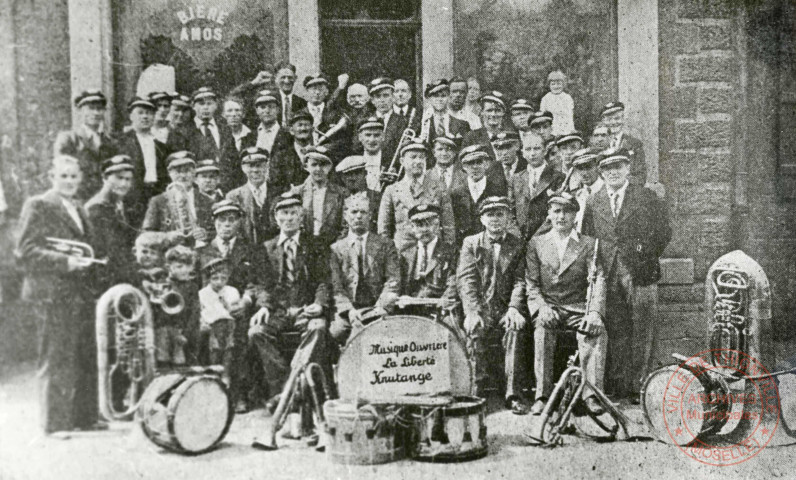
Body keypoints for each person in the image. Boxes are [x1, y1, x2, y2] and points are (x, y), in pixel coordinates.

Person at [581, 149, 671, 400]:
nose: (613, 172)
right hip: (608, 272)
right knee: (617, 328)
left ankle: (641, 384)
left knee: (643, 328)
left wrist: (645, 253)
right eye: (607, 168)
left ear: (628, 168)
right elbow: (589, 236)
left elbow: (664, 231)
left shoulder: (646, 197)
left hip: (640, 271)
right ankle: (620, 384)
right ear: (601, 172)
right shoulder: (595, 200)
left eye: (618, 166)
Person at [247, 195, 334, 408]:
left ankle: (291, 394)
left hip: (306, 310)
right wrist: (264, 306)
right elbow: (261, 284)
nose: (288, 218)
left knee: (319, 328)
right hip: (278, 311)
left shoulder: (315, 245)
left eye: (293, 213)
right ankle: (287, 389)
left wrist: (319, 304)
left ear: (301, 217)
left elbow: (324, 280)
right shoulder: (265, 248)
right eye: (283, 213)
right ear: (276, 218)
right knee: (256, 332)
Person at [526, 192, 608, 416]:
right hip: (550, 306)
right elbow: (531, 283)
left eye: (567, 211)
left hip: (577, 307)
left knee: (595, 333)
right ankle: (542, 396)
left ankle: (591, 395)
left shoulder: (589, 244)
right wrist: (541, 307)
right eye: (556, 211)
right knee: (542, 331)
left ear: (575, 216)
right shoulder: (537, 243)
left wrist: (594, 313)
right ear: (549, 215)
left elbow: (598, 279)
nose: (561, 216)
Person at [456, 196, 529, 413]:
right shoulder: (471, 243)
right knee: (474, 329)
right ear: (482, 219)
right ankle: (475, 391)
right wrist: (471, 311)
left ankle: (512, 393)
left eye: (500, 214)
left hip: (506, 307)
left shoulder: (518, 244)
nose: (495, 219)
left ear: (508, 218)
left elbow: (520, 280)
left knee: (514, 329)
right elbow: (466, 279)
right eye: (490, 214)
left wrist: (514, 308)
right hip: (482, 307)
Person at [197, 199, 260, 412]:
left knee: (240, 340)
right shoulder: (203, 251)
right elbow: (198, 286)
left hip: (238, 310)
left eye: (232, 220)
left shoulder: (249, 250)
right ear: (214, 223)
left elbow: (256, 282)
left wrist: (246, 300)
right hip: (210, 312)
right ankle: (209, 393)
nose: (227, 224)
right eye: (222, 220)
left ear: (240, 223)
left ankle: (238, 394)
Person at [329, 192, 400, 344]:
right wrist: (348, 310)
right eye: (354, 212)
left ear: (370, 216)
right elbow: (336, 287)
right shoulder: (336, 249)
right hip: (349, 312)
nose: (359, 216)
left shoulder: (385, 244)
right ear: (346, 216)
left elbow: (393, 280)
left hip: (376, 308)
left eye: (363, 212)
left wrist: (383, 306)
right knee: (336, 332)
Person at [378, 140, 456, 250]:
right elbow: (384, 230)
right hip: (403, 255)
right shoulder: (392, 190)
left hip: (433, 255)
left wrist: (448, 254)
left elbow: (449, 228)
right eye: (413, 157)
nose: (418, 161)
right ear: (402, 161)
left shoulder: (439, 188)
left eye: (421, 157)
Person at [53, 90, 118, 201]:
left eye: (99, 109)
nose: (96, 113)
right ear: (80, 111)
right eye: (91, 108)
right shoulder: (69, 139)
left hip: (103, 200)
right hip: (77, 199)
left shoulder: (109, 143)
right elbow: (62, 173)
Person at [85, 155, 138, 288]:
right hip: (105, 278)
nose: (124, 184)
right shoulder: (96, 208)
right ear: (104, 178)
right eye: (119, 178)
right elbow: (110, 250)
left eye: (128, 179)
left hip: (120, 273)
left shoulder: (119, 203)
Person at [117, 96, 170, 228]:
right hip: (132, 198)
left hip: (155, 196)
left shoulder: (161, 146)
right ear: (131, 116)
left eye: (149, 113)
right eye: (140, 113)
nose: (145, 117)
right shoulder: (121, 143)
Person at [142, 151, 214, 246]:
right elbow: (147, 234)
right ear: (169, 173)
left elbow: (218, 230)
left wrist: (206, 235)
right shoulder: (158, 201)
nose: (183, 176)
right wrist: (167, 236)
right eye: (178, 171)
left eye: (187, 170)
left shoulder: (208, 201)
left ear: (194, 172)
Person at [398, 204, 458, 316]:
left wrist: (445, 299)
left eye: (429, 224)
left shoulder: (451, 252)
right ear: (412, 227)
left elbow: (454, 282)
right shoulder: (405, 255)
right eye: (419, 225)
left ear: (438, 224)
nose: (425, 229)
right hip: (409, 311)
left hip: (440, 311)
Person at [181, 87, 240, 192]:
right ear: (193, 106)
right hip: (198, 189)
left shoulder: (224, 127)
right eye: (201, 104)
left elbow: (234, 159)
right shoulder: (186, 131)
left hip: (225, 187)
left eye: (209, 104)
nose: (205, 108)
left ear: (216, 105)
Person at [507, 132, 565, 240]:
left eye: (537, 148)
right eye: (528, 149)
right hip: (520, 240)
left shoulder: (558, 177)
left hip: (547, 238)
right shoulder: (515, 179)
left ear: (545, 151)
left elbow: (559, 212)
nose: (532, 153)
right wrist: (517, 235)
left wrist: (537, 238)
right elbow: (510, 211)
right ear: (522, 153)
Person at [199, 257, 249, 378]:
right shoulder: (203, 293)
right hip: (211, 326)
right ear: (209, 279)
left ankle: (226, 375)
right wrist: (203, 322)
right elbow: (200, 311)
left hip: (229, 325)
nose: (219, 282)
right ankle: (214, 374)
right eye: (215, 278)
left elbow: (233, 312)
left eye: (223, 278)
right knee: (215, 348)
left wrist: (225, 302)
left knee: (229, 347)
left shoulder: (232, 291)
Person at [449, 144, 508, 242]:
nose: (475, 167)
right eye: (470, 163)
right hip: (464, 243)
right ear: (464, 166)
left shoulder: (497, 189)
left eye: (479, 162)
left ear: (486, 164)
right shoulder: (456, 192)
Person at [294, 146, 348, 247]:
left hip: (332, 247)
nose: (318, 169)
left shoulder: (341, 193)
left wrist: (336, 246)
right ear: (306, 166)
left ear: (330, 167)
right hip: (304, 247)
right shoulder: (297, 193)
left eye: (323, 164)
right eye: (314, 165)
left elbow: (345, 225)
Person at [226, 147, 279, 244]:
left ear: (267, 166)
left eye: (259, 166)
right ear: (243, 168)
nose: (255, 170)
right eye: (250, 166)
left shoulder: (278, 194)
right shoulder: (234, 197)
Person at [160, 245, 201, 367]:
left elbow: (195, 313)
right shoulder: (163, 285)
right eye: (179, 266)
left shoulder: (192, 287)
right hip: (169, 332)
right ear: (168, 267)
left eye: (188, 266)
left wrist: (185, 335)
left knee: (187, 363)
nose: (185, 270)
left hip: (188, 332)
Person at [600, 101, 647, 186]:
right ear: (604, 121)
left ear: (623, 119)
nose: (614, 122)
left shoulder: (634, 144)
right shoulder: (600, 145)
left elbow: (641, 177)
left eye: (617, 118)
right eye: (609, 119)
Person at [269, 110, 312, 195]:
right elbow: (275, 184)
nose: (303, 128)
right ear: (291, 131)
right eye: (299, 125)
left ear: (312, 129)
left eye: (306, 125)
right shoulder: (280, 156)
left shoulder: (321, 153)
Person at [369, 77, 409, 167]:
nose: (382, 100)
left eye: (386, 95)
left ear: (393, 97)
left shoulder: (403, 121)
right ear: (372, 100)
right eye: (378, 96)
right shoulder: (364, 121)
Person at [334, 155, 380, 233]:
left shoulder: (378, 197)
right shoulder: (337, 200)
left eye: (357, 173)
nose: (353, 178)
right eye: (349, 174)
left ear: (365, 174)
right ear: (342, 178)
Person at [423, 79, 471, 150]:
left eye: (443, 96)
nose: (439, 99)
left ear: (449, 97)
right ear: (430, 99)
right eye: (435, 96)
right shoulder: (422, 124)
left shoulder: (462, 125)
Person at [461, 90, 509, 161]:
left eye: (498, 110)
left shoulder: (510, 136)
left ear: (503, 113)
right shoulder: (471, 137)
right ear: (482, 113)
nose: (493, 114)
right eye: (489, 110)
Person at [570, 148, 604, 232]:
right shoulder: (577, 195)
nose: (584, 173)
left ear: (598, 167)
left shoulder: (608, 190)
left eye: (588, 167)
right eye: (580, 169)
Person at [253, 89, 292, 155]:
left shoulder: (287, 135)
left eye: (271, 107)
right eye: (263, 107)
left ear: (277, 109)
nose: (267, 111)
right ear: (257, 111)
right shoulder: (250, 136)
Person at [540, 70, 575, 136]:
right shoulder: (546, 98)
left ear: (563, 84)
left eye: (559, 84)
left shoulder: (567, 98)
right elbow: (543, 115)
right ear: (549, 85)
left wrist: (571, 129)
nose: (556, 86)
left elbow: (570, 115)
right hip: (552, 127)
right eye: (553, 84)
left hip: (565, 126)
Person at [274, 61, 308, 126]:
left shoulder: (302, 103)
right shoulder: (271, 100)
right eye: (283, 77)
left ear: (295, 78)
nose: (287, 81)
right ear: (276, 78)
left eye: (290, 77)